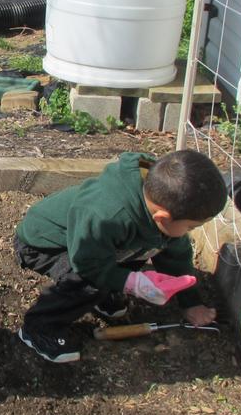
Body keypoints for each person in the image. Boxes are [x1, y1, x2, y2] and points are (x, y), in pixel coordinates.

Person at [15, 150, 226, 363]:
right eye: (191, 226)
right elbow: (88, 264)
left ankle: (106, 295)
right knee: (88, 283)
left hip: (93, 246)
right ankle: (39, 328)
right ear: (162, 217)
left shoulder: (159, 203)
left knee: (138, 251)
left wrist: (191, 302)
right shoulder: (106, 214)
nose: (190, 230)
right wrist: (132, 282)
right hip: (44, 244)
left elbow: (177, 256)